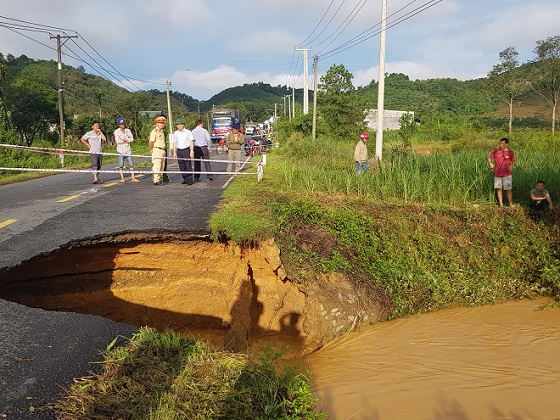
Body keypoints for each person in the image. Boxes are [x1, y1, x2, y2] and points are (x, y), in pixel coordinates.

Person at [487, 137, 516, 208]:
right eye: (500, 143)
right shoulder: (496, 151)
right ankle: (501, 205)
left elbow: (514, 160)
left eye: (503, 143)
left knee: (508, 189)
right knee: (499, 189)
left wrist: (511, 166)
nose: (501, 145)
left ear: (507, 144)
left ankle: (511, 204)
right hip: (497, 174)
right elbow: (489, 157)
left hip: (507, 174)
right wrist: (490, 163)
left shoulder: (510, 152)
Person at [113, 118, 139, 183]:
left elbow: (132, 139)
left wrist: (126, 140)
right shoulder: (116, 131)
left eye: (123, 124)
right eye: (121, 124)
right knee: (121, 165)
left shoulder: (128, 130)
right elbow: (117, 141)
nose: (123, 125)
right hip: (120, 150)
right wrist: (125, 140)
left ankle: (133, 177)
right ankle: (122, 178)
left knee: (131, 164)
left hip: (128, 150)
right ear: (119, 125)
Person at [172, 118, 195, 185]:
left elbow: (191, 141)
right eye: (177, 125)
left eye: (179, 124)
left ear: (183, 125)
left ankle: (190, 179)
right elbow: (175, 142)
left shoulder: (188, 132)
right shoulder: (176, 133)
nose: (178, 126)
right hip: (179, 150)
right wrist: (174, 152)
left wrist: (191, 151)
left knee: (188, 165)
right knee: (181, 165)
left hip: (186, 149)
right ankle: (185, 178)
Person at [149, 115, 167, 186]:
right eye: (160, 123)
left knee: (162, 166)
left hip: (162, 150)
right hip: (157, 149)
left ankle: (160, 178)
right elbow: (151, 142)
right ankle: (156, 180)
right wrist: (152, 149)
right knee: (157, 165)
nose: (162, 124)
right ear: (157, 123)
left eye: (163, 123)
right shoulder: (154, 131)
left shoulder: (162, 131)